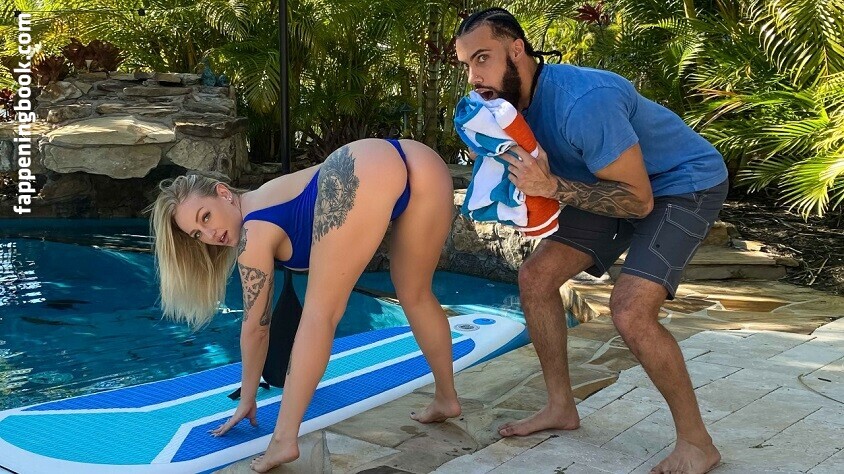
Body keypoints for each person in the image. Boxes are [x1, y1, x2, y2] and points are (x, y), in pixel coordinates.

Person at [454, 8, 728, 474]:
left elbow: (639, 201)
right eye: (466, 65)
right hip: (603, 185)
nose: (474, 77)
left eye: (483, 58)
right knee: (536, 277)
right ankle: (560, 407)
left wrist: (552, 188)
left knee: (630, 311)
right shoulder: (504, 107)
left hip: (682, 184)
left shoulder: (584, 102)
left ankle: (697, 444)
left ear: (516, 50)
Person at [149, 138, 459, 472]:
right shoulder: (264, 198)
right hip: (418, 158)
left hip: (360, 166)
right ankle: (446, 398)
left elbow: (256, 328)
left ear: (223, 193)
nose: (209, 234)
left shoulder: (253, 234)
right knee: (415, 294)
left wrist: (248, 397)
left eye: (206, 217)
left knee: (319, 314)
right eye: (197, 234)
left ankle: (284, 440)